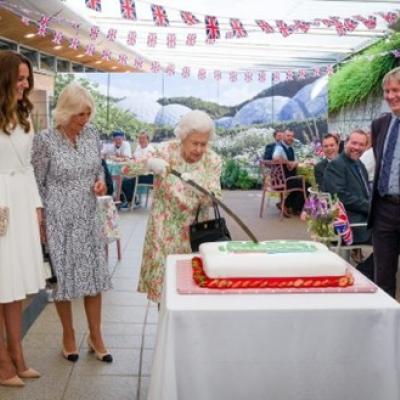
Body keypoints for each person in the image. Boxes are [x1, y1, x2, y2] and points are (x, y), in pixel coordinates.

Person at [32, 82, 113, 363]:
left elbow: (98, 169)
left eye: (88, 114)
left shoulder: (91, 134)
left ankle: (96, 335)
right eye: (80, 115)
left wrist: (100, 183)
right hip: (58, 218)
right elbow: (37, 182)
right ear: (65, 113)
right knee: (63, 280)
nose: (85, 120)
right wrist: (41, 220)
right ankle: (68, 334)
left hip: (89, 215)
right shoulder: (44, 140)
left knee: (95, 278)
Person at [122, 110, 222, 303]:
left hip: (195, 232)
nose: (199, 149)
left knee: (193, 290)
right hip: (163, 231)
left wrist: (203, 192)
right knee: (165, 292)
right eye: (195, 143)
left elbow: (216, 196)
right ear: (183, 137)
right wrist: (149, 163)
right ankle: (166, 331)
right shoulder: (164, 150)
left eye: (204, 144)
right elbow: (126, 169)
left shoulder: (213, 160)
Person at [0, 51, 46, 387]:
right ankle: (2, 361)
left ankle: (17, 353)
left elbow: (28, 165)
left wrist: (36, 206)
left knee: (14, 285)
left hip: (21, 199)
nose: (25, 83)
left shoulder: (25, 114)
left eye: (27, 78)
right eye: (19, 78)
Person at [324, 129, 374, 280]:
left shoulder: (358, 163)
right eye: (354, 143)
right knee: (392, 238)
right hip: (351, 225)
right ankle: (363, 273)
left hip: (363, 219)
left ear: (366, 147)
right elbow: (341, 197)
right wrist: (373, 208)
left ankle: (368, 271)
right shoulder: (337, 165)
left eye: (361, 144)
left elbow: (366, 193)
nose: (357, 147)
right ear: (346, 142)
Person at [368, 66, 400, 298]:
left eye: (396, 90)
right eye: (387, 91)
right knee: (383, 279)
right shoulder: (380, 125)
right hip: (384, 210)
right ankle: (387, 331)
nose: (390, 96)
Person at [272, 129, 306, 215]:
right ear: (283, 136)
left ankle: (290, 206)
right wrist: (287, 162)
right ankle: (289, 206)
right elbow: (275, 157)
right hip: (283, 180)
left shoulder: (290, 148)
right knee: (305, 184)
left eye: (292, 136)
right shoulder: (279, 147)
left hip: (288, 178)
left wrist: (294, 163)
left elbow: (293, 162)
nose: (290, 138)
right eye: (288, 136)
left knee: (300, 182)